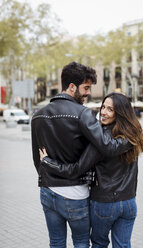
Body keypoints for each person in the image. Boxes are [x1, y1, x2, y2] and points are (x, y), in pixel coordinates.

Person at [31, 62, 131, 248]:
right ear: (71, 86)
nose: (88, 93)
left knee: (56, 242)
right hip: (75, 193)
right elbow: (106, 146)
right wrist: (130, 138)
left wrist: (49, 171)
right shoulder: (83, 114)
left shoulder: (38, 115)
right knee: (81, 243)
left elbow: (37, 159)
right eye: (86, 88)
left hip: (47, 191)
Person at [39, 92, 143, 248]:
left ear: (121, 114)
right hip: (129, 202)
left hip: (104, 203)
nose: (103, 112)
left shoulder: (101, 139)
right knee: (123, 245)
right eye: (103, 107)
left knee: (99, 244)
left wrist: (48, 162)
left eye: (110, 109)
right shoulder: (132, 136)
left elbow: (76, 170)